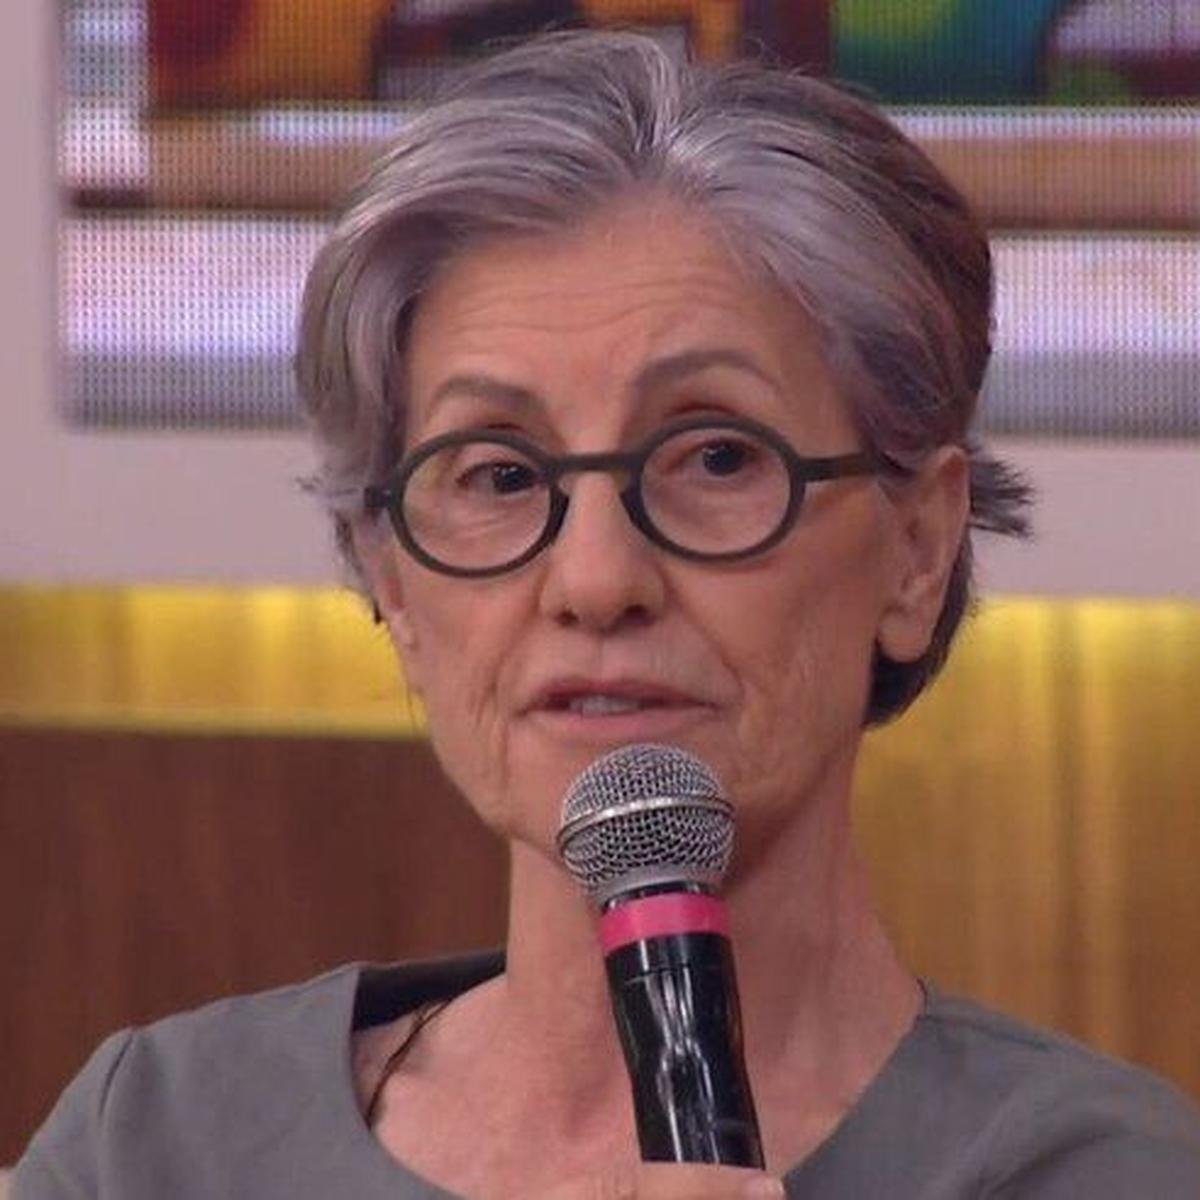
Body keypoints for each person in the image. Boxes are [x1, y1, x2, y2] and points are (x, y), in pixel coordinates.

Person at [15, 30, 1200, 1200]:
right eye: (499, 474)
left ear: (917, 550)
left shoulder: (1098, 1175)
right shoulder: (158, 1143)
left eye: (717, 457)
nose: (594, 580)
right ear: (390, 581)